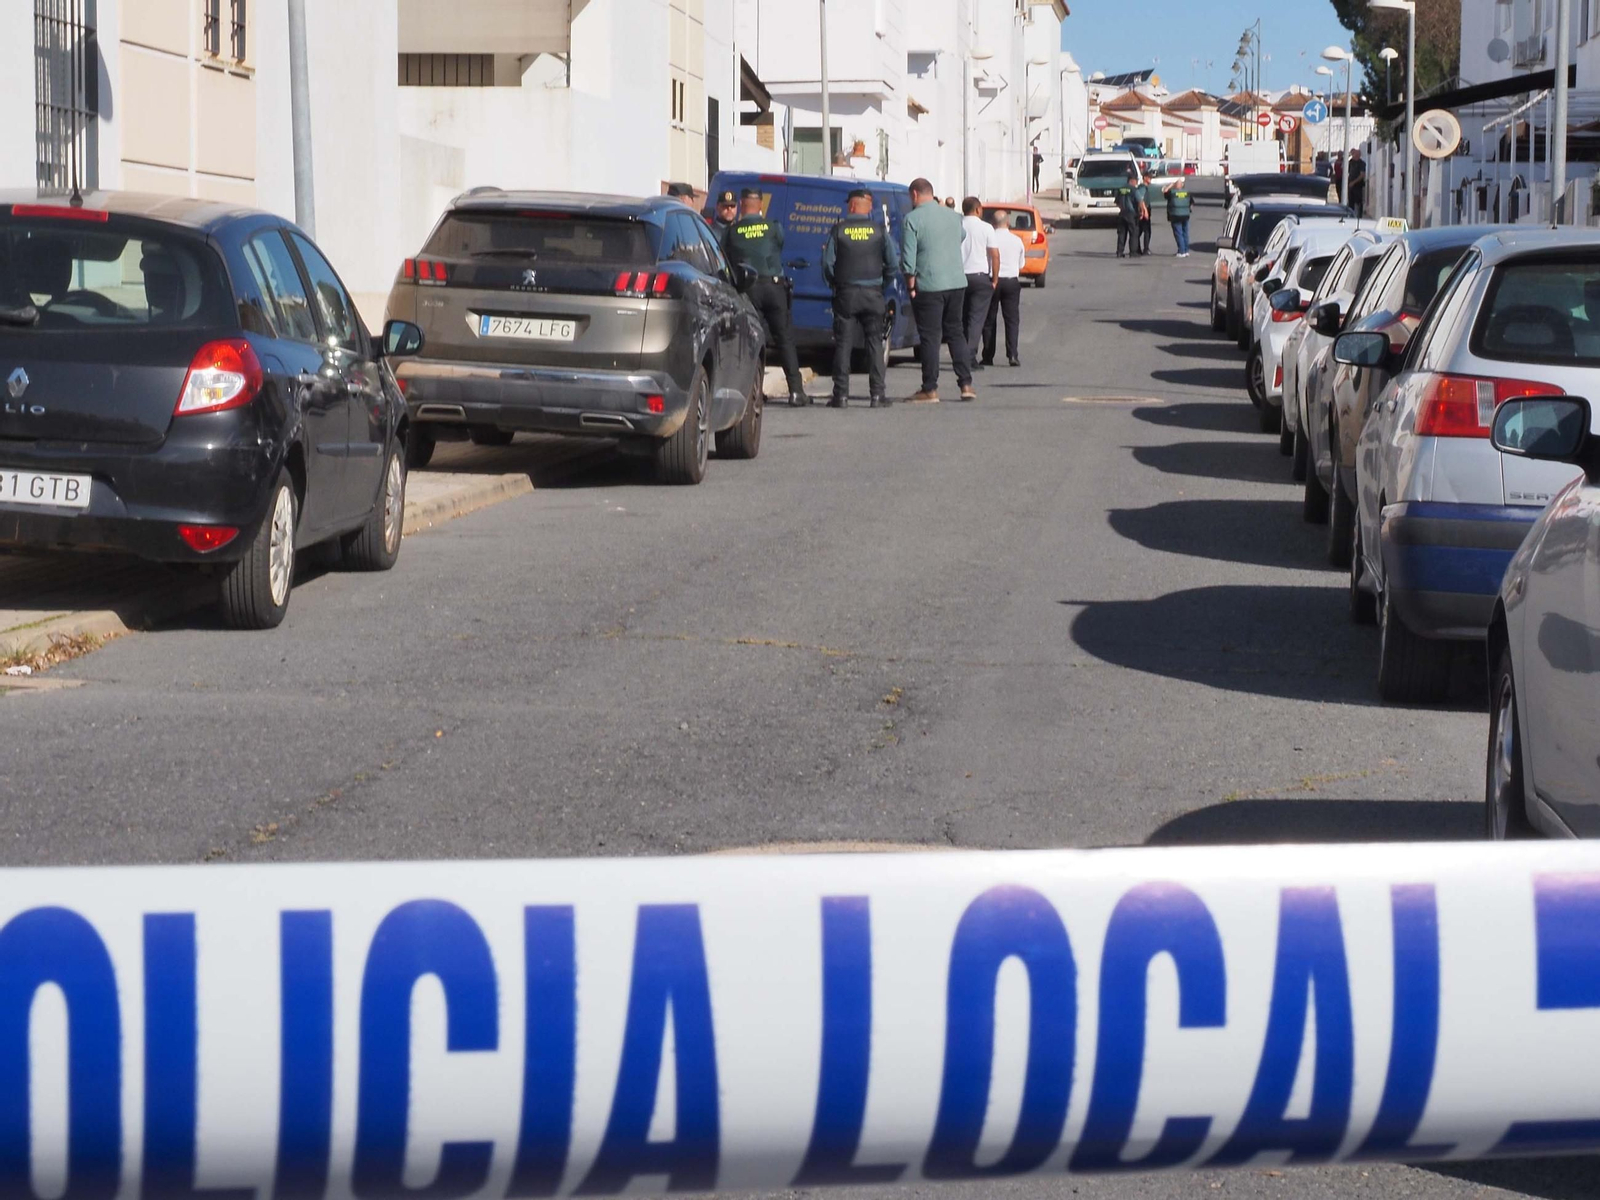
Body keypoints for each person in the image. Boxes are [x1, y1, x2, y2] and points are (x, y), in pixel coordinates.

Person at [722, 187, 808, 407]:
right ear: (761, 204)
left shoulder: (732, 232)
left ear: (741, 204)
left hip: (749, 289)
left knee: (752, 342)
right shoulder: (773, 227)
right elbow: (779, 245)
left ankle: (753, 391)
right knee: (785, 340)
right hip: (774, 288)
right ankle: (796, 391)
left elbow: (726, 258)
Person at [900, 177, 976, 403]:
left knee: (931, 336)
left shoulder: (912, 219)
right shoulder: (954, 217)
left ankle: (930, 387)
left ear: (914, 195)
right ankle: (966, 384)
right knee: (955, 332)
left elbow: (908, 258)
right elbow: (961, 236)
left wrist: (910, 284)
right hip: (956, 281)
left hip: (930, 284)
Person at [821, 188, 897, 408]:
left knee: (843, 345)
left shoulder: (839, 230)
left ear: (852, 206)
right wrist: (881, 285)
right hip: (873, 293)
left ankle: (841, 395)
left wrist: (835, 283)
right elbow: (892, 264)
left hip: (846, 294)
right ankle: (877, 395)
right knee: (874, 344)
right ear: (868, 207)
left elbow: (827, 263)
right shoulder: (879, 231)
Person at [959, 197, 999, 371]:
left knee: (961, 318)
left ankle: (960, 353)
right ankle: (969, 356)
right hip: (979, 276)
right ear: (977, 210)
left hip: (958, 276)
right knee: (976, 319)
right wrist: (995, 278)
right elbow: (994, 254)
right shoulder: (986, 228)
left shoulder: (957, 226)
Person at [980, 210, 1024, 368]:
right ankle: (1012, 354)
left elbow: (985, 259)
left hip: (992, 280)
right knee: (1012, 319)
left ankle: (988, 354)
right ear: (1008, 222)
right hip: (1011, 281)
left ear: (993, 223)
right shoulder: (1017, 240)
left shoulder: (990, 238)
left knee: (989, 319)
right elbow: (1021, 264)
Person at [1114, 167, 1142, 258]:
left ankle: (1119, 252)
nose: (1136, 183)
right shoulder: (1134, 189)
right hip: (1131, 214)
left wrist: (1122, 208)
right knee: (1133, 233)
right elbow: (1140, 201)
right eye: (1136, 181)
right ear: (1132, 181)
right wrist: (1142, 211)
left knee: (1122, 234)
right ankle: (1133, 253)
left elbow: (1117, 202)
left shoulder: (1121, 189)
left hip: (1122, 214)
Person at [1161, 175, 1192, 257]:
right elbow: (1191, 203)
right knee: (1185, 233)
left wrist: (1171, 185)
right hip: (1185, 215)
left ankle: (1181, 251)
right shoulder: (1187, 192)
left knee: (1178, 233)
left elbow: (1164, 191)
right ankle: (1186, 250)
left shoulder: (1172, 193)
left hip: (1175, 215)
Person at [1134, 168, 1153, 256]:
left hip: (1144, 210)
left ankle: (1139, 248)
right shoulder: (1142, 188)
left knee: (1142, 231)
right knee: (1146, 231)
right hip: (1143, 211)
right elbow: (1140, 200)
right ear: (1145, 178)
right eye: (1149, 177)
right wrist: (1143, 211)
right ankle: (1144, 249)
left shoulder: (1144, 188)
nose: (1150, 179)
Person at [1348, 149, 1368, 216]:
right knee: (1351, 202)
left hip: (1358, 186)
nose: (1354, 156)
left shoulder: (1362, 163)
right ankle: (1351, 215)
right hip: (1351, 186)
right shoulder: (1350, 162)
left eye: (1356, 155)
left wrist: (1353, 182)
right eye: (1354, 154)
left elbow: (1362, 175)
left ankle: (1359, 216)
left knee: (1358, 202)